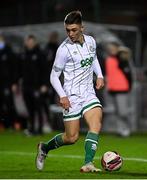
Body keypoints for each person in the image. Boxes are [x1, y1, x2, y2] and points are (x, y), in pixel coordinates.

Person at [36, 10, 104, 172]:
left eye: (74, 30)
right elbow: (54, 76)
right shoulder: (64, 50)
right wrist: (63, 96)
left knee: (96, 124)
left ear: (82, 27)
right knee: (71, 137)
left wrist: (99, 75)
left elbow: (93, 58)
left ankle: (88, 163)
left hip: (88, 93)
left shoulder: (91, 41)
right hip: (71, 96)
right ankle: (45, 148)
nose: (70, 33)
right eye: (67, 30)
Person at [20, 35, 47, 135]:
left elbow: (45, 70)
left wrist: (44, 84)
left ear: (35, 43)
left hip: (37, 86)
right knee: (29, 109)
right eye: (28, 42)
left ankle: (39, 129)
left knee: (38, 108)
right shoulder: (23, 54)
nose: (30, 43)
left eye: (31, 42)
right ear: (26, 42)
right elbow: (19, 70)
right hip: (26, 86)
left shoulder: (40, 54)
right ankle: (31, 128)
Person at [105, 42, 132, 137]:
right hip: (112, 89)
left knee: (122, 112)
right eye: (110, 48)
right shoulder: (108, 59)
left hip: (122, 88)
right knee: (117, 112)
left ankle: (127, 128)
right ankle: (121, 130)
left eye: (113, 48)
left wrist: (130, 86)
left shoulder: (121, 58)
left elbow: (128, 74)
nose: (111, 50)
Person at [0, 34, 18, 129]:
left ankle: (14, 122)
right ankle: (3, 124)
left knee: (9, 103)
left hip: (8, 83)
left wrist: (14, 82)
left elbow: (14, 68)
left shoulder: (9, 52)